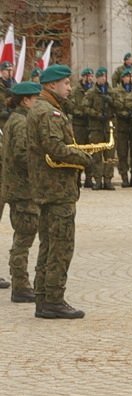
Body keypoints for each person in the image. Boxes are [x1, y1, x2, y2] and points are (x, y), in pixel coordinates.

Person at [28, 65, 91, 318]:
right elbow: (55, 147)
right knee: (61, 245)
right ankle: (53, 299)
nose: (69, 87)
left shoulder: (41, 109)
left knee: (48, 242)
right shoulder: (50, 112)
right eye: (66, 83)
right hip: (56, 188)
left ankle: (43, 297)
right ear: (52, 85)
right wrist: (85, 157)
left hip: (47, 188)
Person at [2, 81, 42, 302]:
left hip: (18, 188)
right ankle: (20, 285)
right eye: (36, 99)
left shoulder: (16, 119)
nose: (38, 103)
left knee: (22, 236)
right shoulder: (21, 123)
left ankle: (20, 282)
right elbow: (21, 155)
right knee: (24, 238)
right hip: (22, 190)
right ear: (25, 100)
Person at [84, 67, 117, 190]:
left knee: (109, 155)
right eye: (100, 77)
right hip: (96, 127)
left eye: (104, 76)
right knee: (96, 155)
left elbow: (120, 104)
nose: (103, 79)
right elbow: (85, 107)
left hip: (109, 127)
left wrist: (111, 101)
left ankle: (108, 179)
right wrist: (97, 114)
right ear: (97, 78)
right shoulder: (91, 93)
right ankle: (97, 179)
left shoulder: (111, 91)